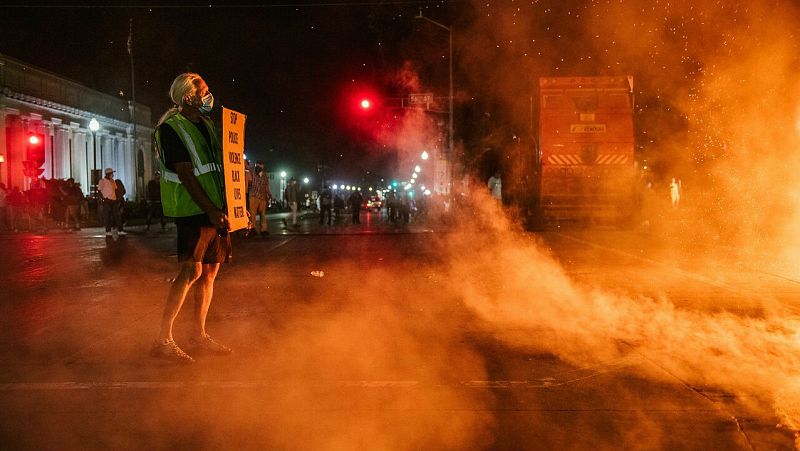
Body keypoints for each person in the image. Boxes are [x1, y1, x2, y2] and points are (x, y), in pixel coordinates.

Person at [151, 72, 233, 363]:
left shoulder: (207, 125)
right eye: (204, 90)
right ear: (188, 96)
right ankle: (163, 339)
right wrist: (210, 209)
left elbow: (220, 167)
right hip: (192, 209)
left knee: (210, 272)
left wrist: (232, 207)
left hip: (214, 209)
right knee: (190, 272)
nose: (208, 96)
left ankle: (198, 335)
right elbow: (185, 172)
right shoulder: (171, 128)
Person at [98, 168, 124, 236]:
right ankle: (108, 230)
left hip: (114, 200)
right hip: (107, 201)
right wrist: (103, 199)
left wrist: (118, 198)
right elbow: (99, 191)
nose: (113, 175)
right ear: (108, 174)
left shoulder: (113, 181)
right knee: (107, 216)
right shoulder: (102, 181)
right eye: (112, 173)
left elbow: (116, 190)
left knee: (117, 215)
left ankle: (120, 230)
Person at [248, 161, 271, 236]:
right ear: (256, 165)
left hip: (262, 196)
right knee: (252, 213)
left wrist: (269, 194)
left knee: (263, 214)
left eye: (261, 166)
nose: (259, 167)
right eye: (258, 165)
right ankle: (252, 228)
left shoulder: (264, 175)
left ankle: (263, 229)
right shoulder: (252, 172)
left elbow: (266, 185)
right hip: (253, 195)